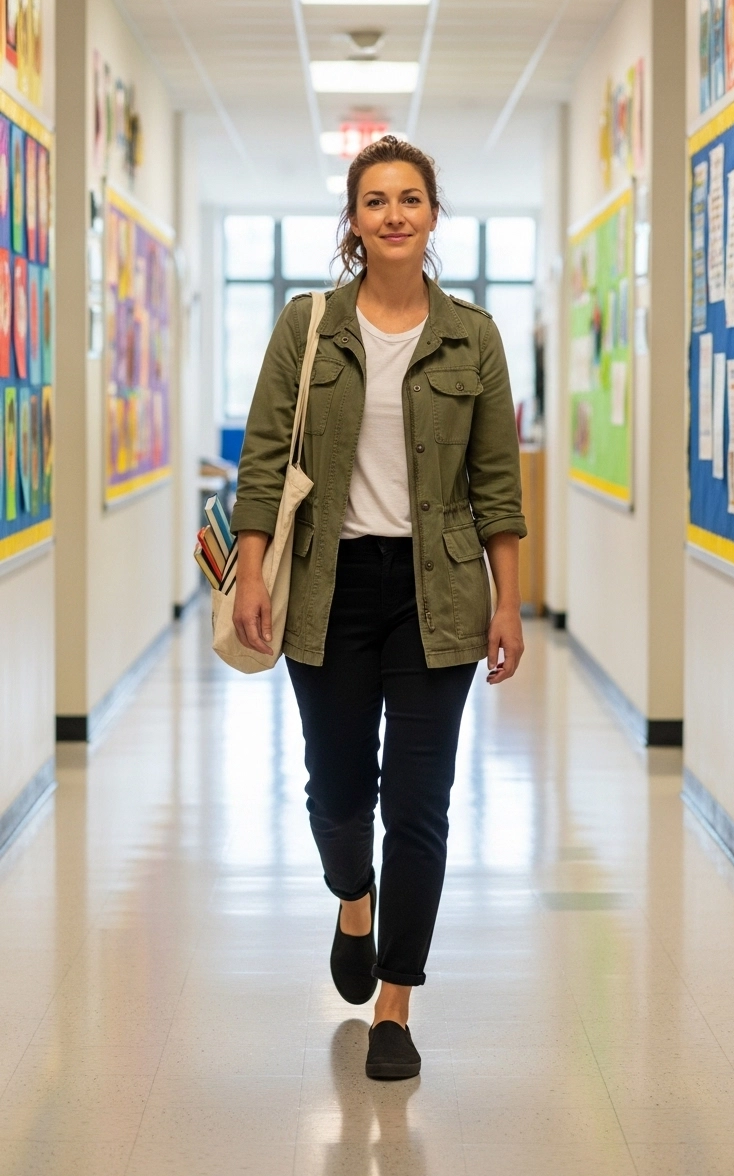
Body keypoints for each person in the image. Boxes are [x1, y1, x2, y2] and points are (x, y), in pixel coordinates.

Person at [231, 136, 527, 1080]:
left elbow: (496, 486)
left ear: (434, 215)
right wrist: (246, 569)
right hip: (328, 584)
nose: (394, 214)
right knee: (337, 790)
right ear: (353, 222)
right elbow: (265, 454)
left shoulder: (472, 337)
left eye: (411, 198)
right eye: (375, 201)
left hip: (438, 590)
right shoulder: (307, 324)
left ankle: (395, 1006)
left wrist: (508, 602)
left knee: (420, 801)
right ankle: (351, 898)